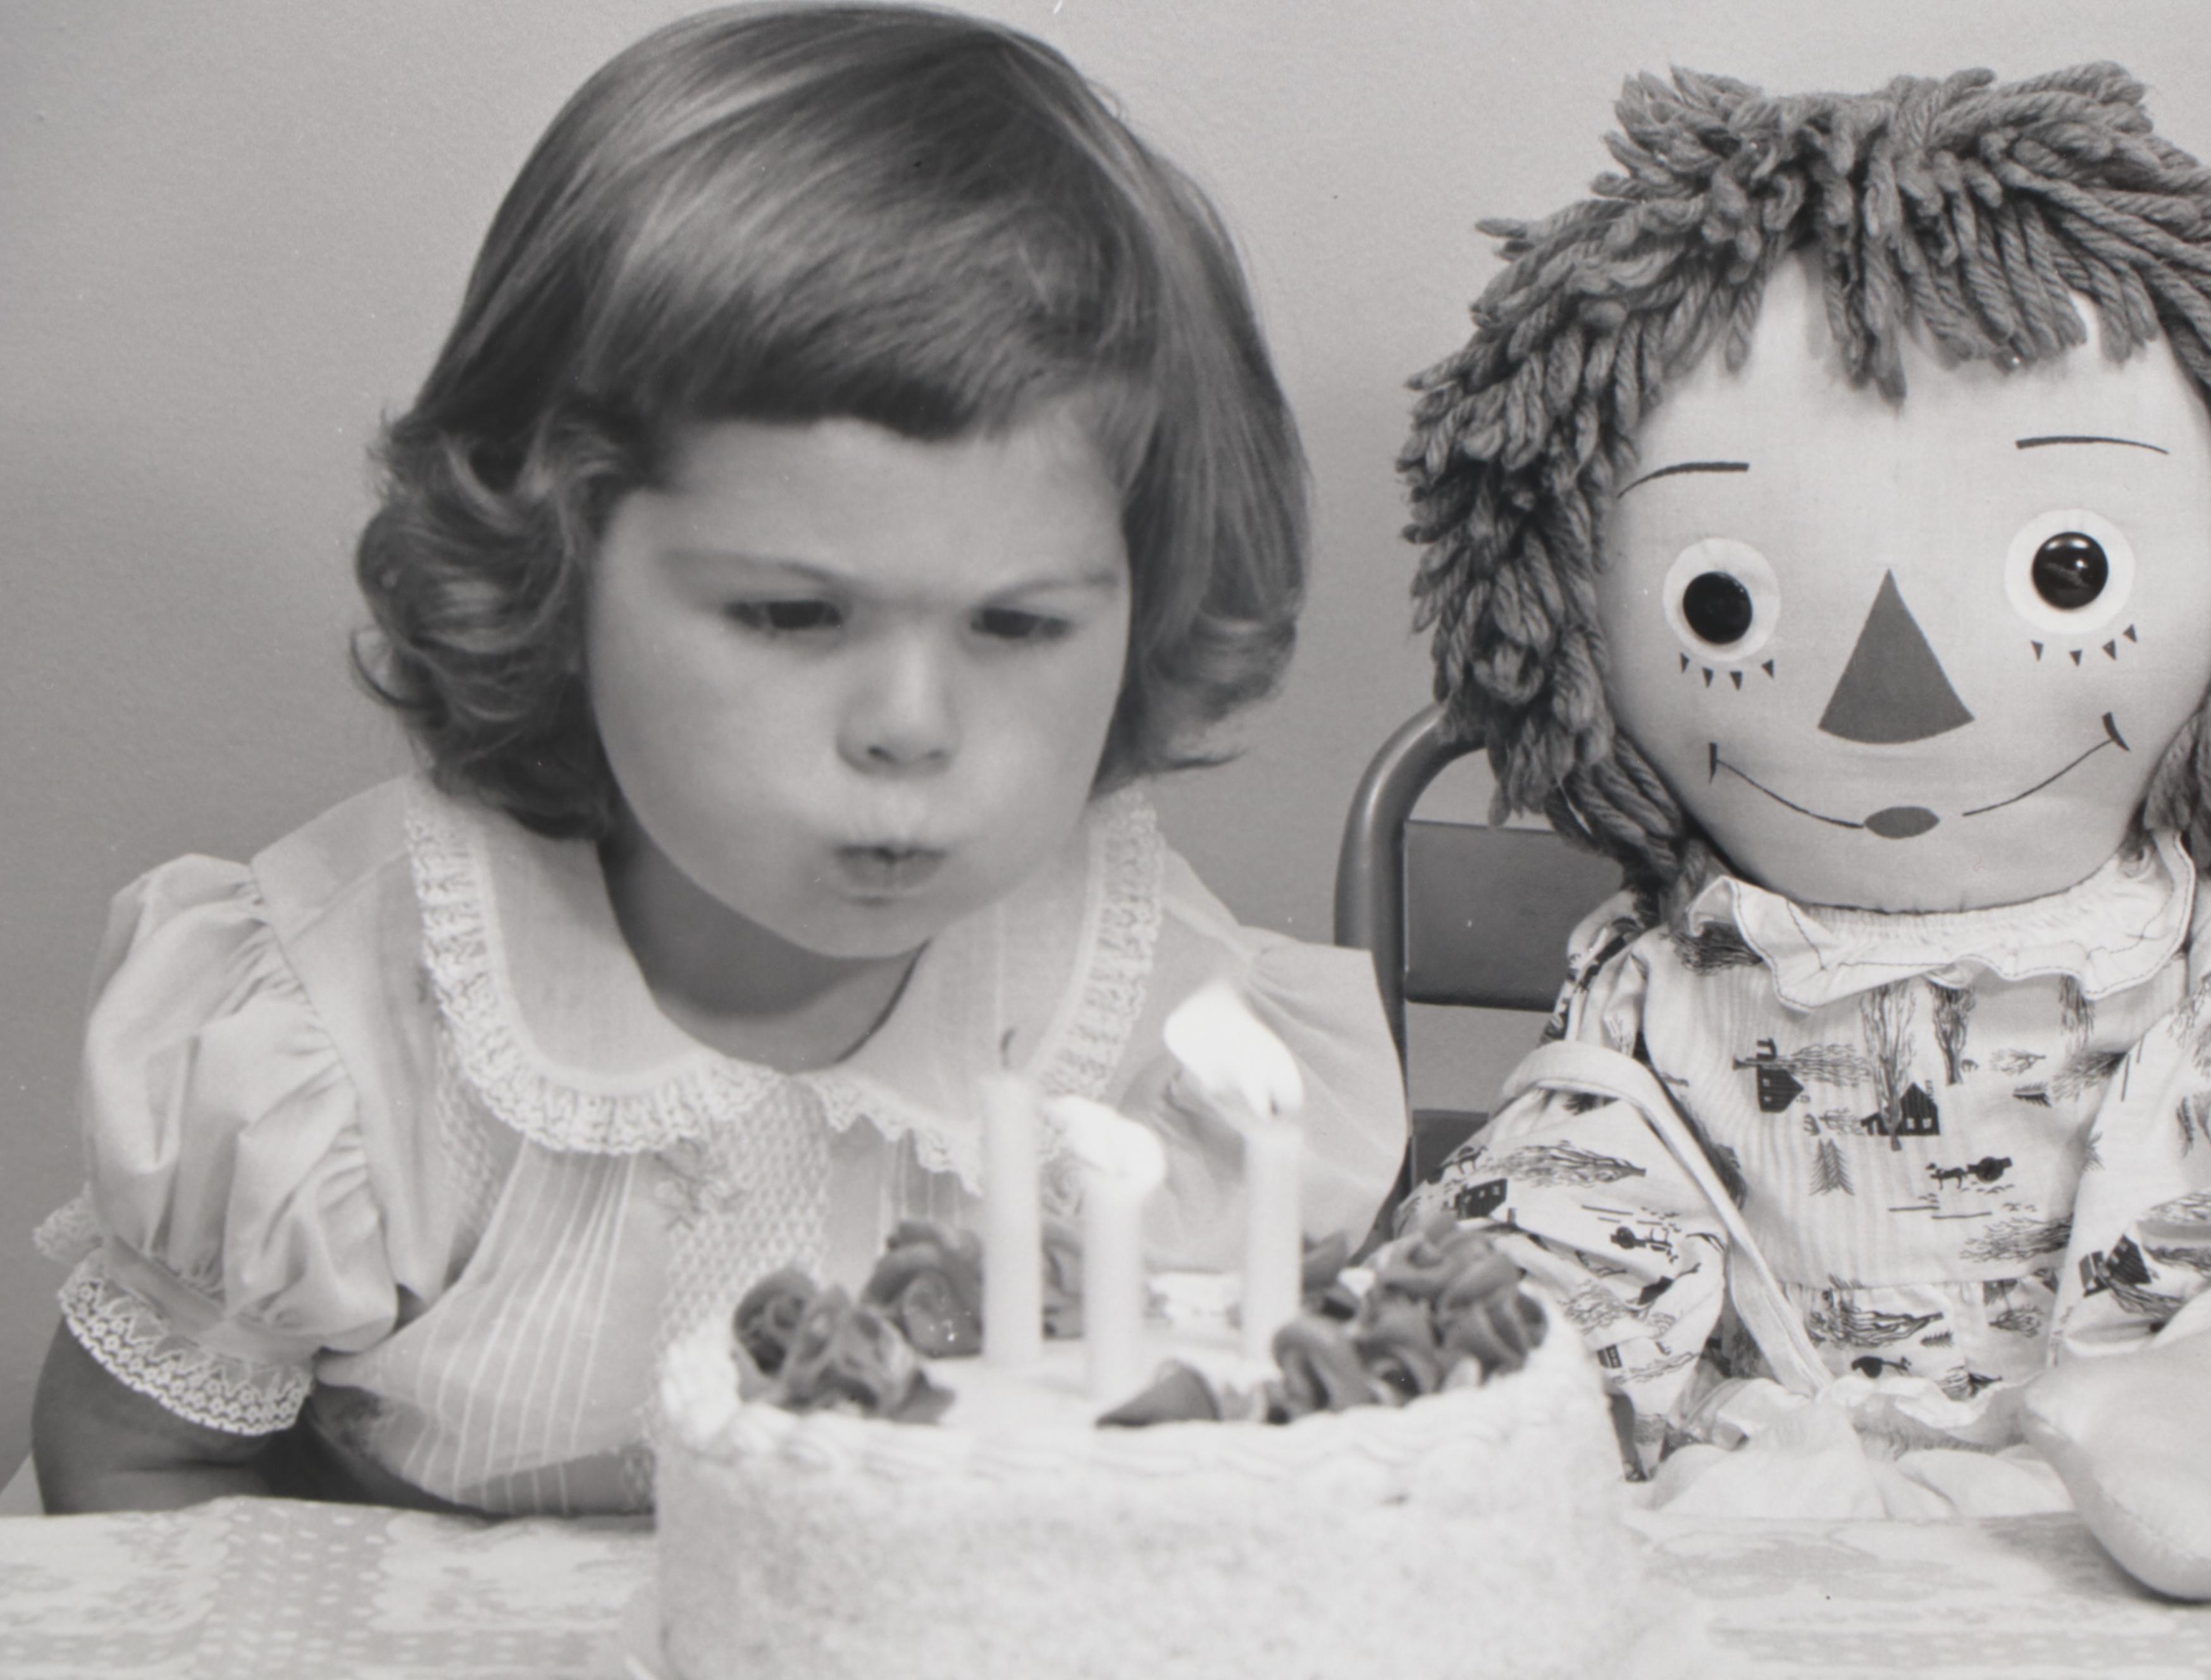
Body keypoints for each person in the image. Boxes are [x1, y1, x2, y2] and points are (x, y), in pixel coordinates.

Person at [30, 1, 1403, 1517]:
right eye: (791, 612)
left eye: (1017, 625)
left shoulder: (1152, 1038)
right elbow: (140, 1471)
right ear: (559, 559)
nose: (911, 725)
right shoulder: (341, 1029)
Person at [1399, 63, 2211, 1600]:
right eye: (1716, 604)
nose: (1890, 689)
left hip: (2166, 1404)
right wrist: (1525, 1313)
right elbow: (1592, 1163)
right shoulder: (1670, 979)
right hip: (1769, 1478)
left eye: (2075, 569)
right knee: (1548, 1242)